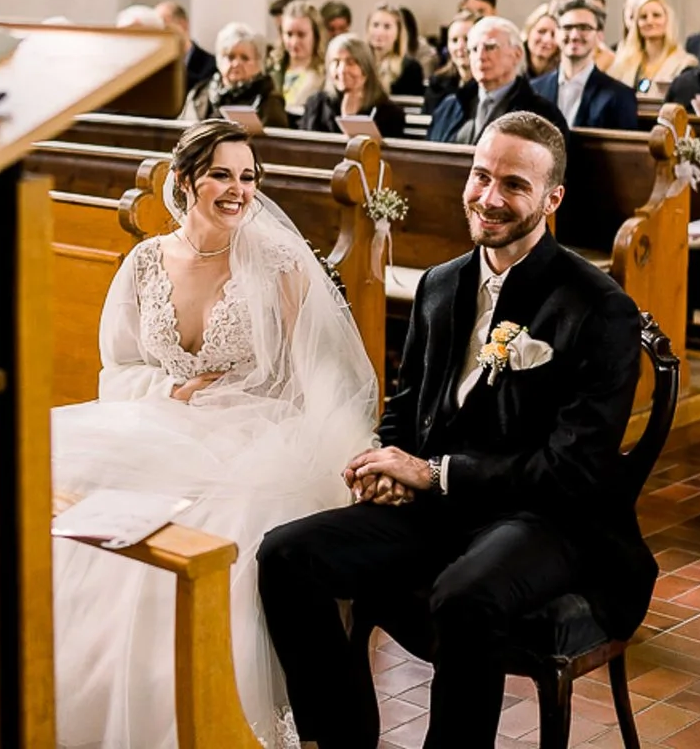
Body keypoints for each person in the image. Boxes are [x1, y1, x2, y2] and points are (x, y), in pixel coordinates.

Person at [256, 113, 657, 749]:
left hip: (550, 520)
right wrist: (389, 463)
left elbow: (572, 469)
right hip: (440, 507)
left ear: (552, 199)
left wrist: (434, 473)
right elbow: (407, 402)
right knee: (285, 555)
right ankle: (343, 738)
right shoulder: (440, 285)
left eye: (515, 185)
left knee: (463, 596)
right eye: (480, 176)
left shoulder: (599, 306)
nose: (490, 197)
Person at [52, 120, 379, 749]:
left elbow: (322, 373)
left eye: (248, 177)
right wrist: (168, 393)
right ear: (184, 180)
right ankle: (93, 696)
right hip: (158, 422)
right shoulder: (145, 262)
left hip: (259, 435)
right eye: (222, 175)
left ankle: (201, 713)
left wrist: (341, 452)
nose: (237, 190)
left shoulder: (278, 262)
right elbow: (116, 367)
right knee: (68, 495)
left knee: (225, 528)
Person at [426, 16, 568, 145]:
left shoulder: (542, 114)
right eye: (474, 49)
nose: (480, 56)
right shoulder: (449, 107)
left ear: (517, 54)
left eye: (490, 47)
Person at [532, 0, 637, 131]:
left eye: (584, 28)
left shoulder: (620, 96)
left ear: (599, 36)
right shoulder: (534, 90)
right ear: (557, 33)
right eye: (567, 27)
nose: (575, 35)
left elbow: (624, 150)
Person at [296, 33, 409, 138]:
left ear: (366, 68)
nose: (342, 70)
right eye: (336, 62)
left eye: (351, 63)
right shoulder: (316, 104)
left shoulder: (390, 114)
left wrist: (349, 118)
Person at [182, 22, 291, 129]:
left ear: (259, 63)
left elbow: (275, 144)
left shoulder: (269, 100)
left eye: (244, 58)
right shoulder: (199, 93)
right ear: (219, 60)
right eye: (230, 57)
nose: (236, 63)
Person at [604, 0, 693, 95]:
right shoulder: (623, 62)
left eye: (656, 15)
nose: (649, 21)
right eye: (643, 17)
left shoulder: (684, 64)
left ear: (668, 20)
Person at [364, 2, 428, 104]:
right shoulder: (358, 63)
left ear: (398, 33)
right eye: (375, 25)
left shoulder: (410, 68)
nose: (380, 32)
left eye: (387, 27)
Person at [421, 10, 478, 115]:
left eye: (467, 39)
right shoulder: (437, 83)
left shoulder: (489, 85)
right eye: (454, 40)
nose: (460, 46)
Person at [276, 0, 327, 116]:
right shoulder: (273, 68)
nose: (294, 42)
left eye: (301, 35)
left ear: (315, 35)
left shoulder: (325, 73)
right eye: (289, 34)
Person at [157, 0, 220, 92]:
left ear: (183, 25)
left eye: (164, 28)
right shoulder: (154, 67)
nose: (160, 35)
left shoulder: (212, 66)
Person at [520, 3, 561, 80]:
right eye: (541, 31)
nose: (547, 39)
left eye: (553, 35)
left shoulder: (563, 73)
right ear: (528, 32)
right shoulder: (510, 67)